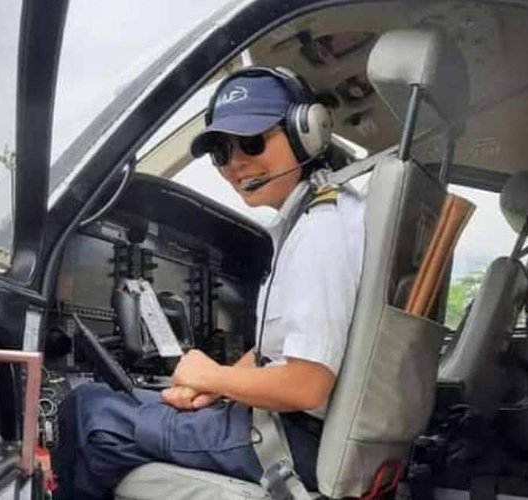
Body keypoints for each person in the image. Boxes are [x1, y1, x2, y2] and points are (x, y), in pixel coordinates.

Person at [53, 67, 365, 499]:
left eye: (253, 141)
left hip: (292, 440)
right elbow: (281, 346)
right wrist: (207, 385)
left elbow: (305, 383)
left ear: (306, 131)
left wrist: (213, 375)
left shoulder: (320, 232)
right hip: (302, 430)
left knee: (88, 414)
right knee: (137, 405)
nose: (236, 163)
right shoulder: (324, 217)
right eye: (221, 151)